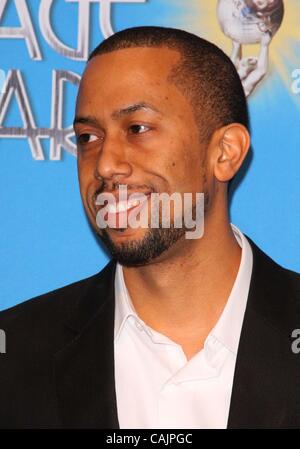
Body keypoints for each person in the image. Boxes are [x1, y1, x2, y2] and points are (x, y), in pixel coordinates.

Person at [0, 26, 300, 429]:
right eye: (88, 137)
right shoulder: (15, 355)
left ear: (225, 152)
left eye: (137, 129)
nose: (105, 164)